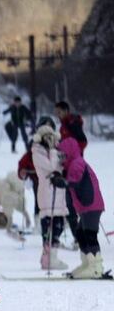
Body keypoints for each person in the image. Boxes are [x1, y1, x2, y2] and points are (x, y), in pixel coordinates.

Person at [52, 137, 106, 278]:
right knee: (81, 233)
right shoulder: (71, 165)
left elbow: (74, 182)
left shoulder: (77, 163)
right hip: (86, 206)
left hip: (91, 205)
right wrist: (59, 177)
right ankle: (87, 263)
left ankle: (96, 267)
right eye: (60, 155)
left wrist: (62, 182)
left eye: (63, 154)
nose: (61, 157)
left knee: (89, 234)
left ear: (69, 152)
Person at [31, 119, 68, 270]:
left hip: (58, 193)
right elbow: (51, 167)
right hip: (47, 194)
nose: (50, 140)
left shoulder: (54, 151)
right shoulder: (37, 152)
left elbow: (60, 166)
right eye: (46, 137)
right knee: (50, 227)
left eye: (51, 137)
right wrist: (54, 151)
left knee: (59, 225)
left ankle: (49, 257)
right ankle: (50, 259)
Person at [55, 101, 88, 246]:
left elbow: (82, 141)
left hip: (75, 169)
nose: (58, 115)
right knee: (70, 203)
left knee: (74, 202)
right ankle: (78, 236)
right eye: (56, 112)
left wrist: (74, 156)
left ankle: (81, 235)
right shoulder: (63, 125)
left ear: (66, 110)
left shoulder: (71, 122)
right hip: (67, 168)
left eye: (59, 112)